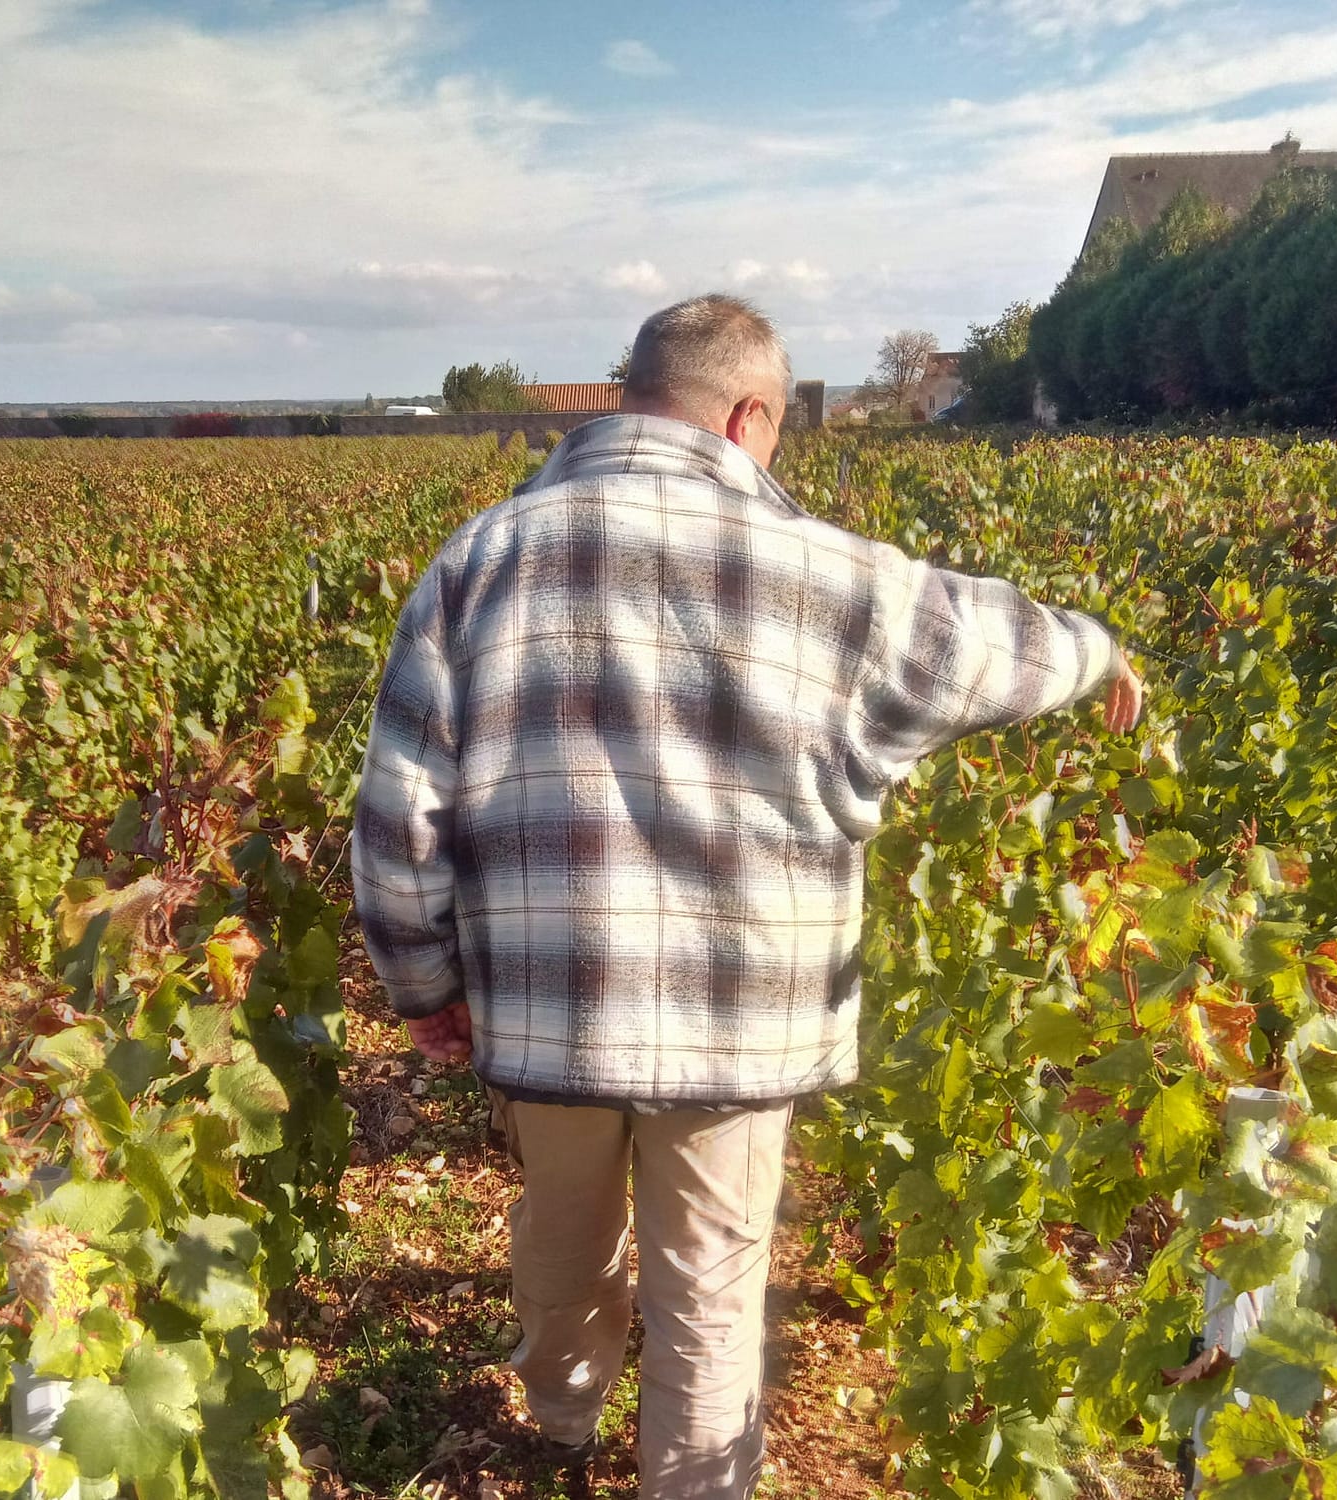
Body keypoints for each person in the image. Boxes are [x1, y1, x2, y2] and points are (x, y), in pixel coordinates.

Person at [351, 293, 1144, 1499]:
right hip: (744, 1024)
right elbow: (996, 643)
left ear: (628, 397)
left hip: (547, 1012)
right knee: (713, 1289)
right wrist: (1102, 651)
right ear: (747, 416)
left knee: (561, 1234)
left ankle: (560, 1415)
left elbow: (399, 816)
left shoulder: (478, 561)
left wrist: (423, 988)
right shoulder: (837, 575)